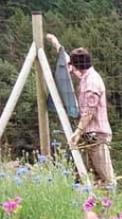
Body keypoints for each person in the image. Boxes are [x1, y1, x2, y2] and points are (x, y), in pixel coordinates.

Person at [46, 34, 114, 189]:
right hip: (89, 135)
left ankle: (112, 205)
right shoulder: (85, 74)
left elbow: (89, 113)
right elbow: (67, 61)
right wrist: (56, 44)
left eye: (73, 66)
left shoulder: (92, 83)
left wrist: (77, 132)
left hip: (97, 135)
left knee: (106, 177)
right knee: (94, 178)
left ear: (78, 67)